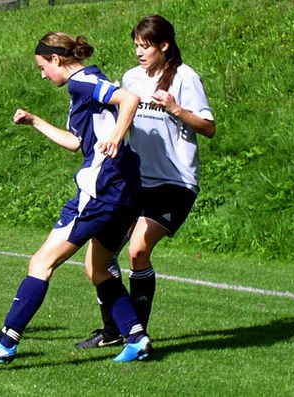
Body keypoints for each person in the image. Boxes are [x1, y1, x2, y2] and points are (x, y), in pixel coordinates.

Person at [0, 32, 151, 364]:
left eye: (42, 67)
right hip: (126, 192)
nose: (42, 74)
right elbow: (75, 142)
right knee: (99, 270)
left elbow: (129, 100)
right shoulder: (90, 79)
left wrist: (116, 139)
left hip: (101, 189)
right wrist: (35, 121)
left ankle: (5, 342)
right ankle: (137, 339)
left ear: (56, 59)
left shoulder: (83, 83)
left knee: (40, 263)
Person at [75, 15, 216, 349]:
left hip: (174, 182)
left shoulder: (185, 77)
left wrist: (176, 109)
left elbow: (208, 128)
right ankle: (113, 332)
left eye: (146, 46)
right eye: (136, 45)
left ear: (163, 45)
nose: (139, 52)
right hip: (134, 180)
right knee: (100, 256)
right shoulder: (131, 78)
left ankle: (135, 334)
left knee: (138, 249)